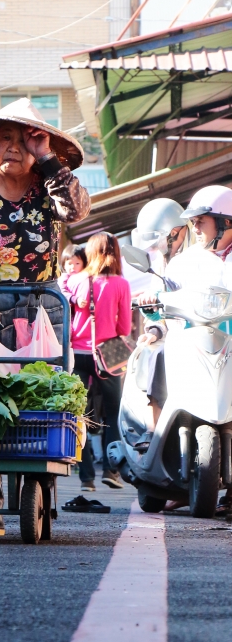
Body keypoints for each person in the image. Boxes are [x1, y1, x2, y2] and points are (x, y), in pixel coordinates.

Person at [0, 97, 90, 535]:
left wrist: (47, 157)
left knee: (40, 403)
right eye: (4, 138)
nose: (13, 147)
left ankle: (38, 495)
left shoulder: (50, 186)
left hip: (42, 308)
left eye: (24, 139)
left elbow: (78, 211)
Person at [136, 185, 232, 452]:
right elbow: (163, 293)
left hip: (230, 344)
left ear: (225, 222)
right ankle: (154, 429)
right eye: (193, 222)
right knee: (158, 355)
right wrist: (151, 305)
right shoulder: (184, 262)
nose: (195, 228)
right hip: (192, 342)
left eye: (201, 221)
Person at [60, 232, 131, 492]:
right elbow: (123, 326)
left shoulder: (78, 280)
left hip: (78, 354)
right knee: (112, 414)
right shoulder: (121, 284)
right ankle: (111, 471)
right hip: (108, 355)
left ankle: (86, 477)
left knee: (78, 414)